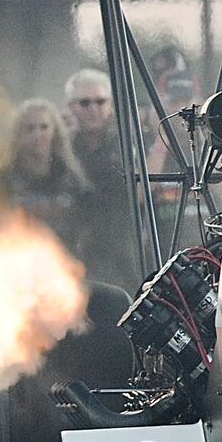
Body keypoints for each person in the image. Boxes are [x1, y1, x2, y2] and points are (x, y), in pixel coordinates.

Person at [65, 68, 139, 290]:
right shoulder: (64, 147)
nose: (93, 109)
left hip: (124, 252)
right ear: (71, 107)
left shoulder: (127, 143)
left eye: (100, 102)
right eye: (85, 103)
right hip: (75, 251)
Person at [0, 98, 90, 254]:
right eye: (30, 128)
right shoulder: (2, 180)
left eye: (44, 127)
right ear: (19, 134)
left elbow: (84, 231)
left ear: (54, 131)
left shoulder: (72, 180)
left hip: (63, 269)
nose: (38, 134)